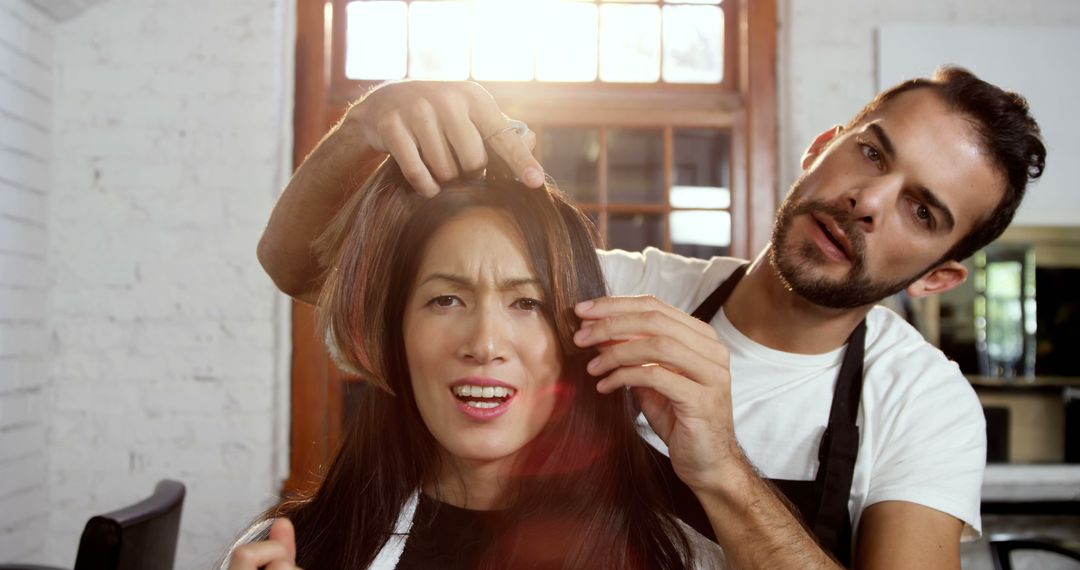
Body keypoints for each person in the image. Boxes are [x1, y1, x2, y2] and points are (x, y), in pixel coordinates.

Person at [255, 67, 1046, 568]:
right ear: (824, 147)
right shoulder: (621, 287)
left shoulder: (924, 405)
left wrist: (722, 467)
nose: (867, 202)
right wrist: (369, 123)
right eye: (873, 154)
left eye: (921, 209)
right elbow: (305, 270)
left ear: (941, 274)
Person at [225, 161, 727, 568]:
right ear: (395, 335)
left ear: (579, 339)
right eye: (446, 300)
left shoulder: (680, 560)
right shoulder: (284, 552)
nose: (485, 344)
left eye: (528, 304)